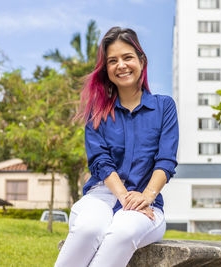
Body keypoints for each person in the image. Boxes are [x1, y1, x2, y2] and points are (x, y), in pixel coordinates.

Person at [55, 27, 179, 267]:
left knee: (123, 231)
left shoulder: (164, 107)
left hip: (146, 203)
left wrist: (145, 196)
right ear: (107, 70)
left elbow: (166, 160)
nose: (121, 65)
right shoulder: (97, 111)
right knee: (88, 229)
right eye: (113, 61)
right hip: (102, 195)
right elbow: (100, 160)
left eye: (127, 57)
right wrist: (123, 197)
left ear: (141, 61)